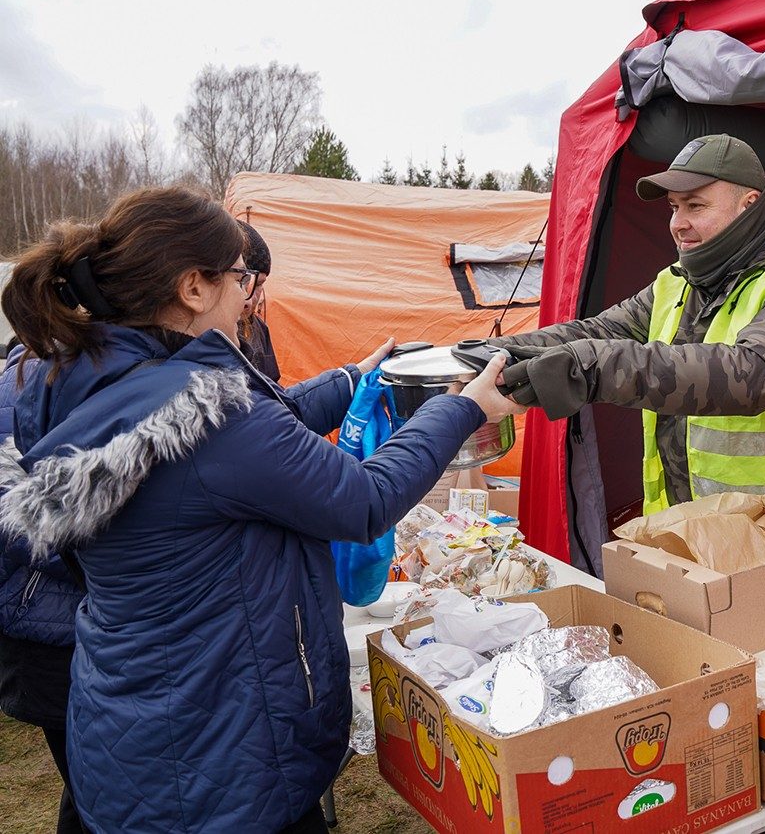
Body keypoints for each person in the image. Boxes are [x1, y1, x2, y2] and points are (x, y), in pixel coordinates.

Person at [0, 186, 521, 832]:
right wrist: (462, 407)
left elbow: (246, 440)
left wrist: (350, 380)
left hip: (130, 737)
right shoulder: (210, 414)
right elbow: (364, 500)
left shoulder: (89, 380)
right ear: (194, 286)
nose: (248, 293)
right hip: (220, 760)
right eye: (240, 277)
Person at [492, 134, 765, 521]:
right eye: (674, 208)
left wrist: (592, 366)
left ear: (748, 206)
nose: (678, 224)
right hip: (695, 532)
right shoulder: (678, 282)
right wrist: (494, 353)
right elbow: (599, 332)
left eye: (695, 206)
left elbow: (753, 376)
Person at [0, 345, 88, 834]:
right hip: (45, 636)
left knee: (100, 789)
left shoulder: (105, 377)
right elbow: (13, 524)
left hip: (93, 627)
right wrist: (120, 559)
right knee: (93, 792)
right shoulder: (15, 392)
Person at [237, 220, 280, 381]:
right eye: (243, 282)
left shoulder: (258, 328)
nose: (254, 299)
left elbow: (273, 389)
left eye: (260, 284)